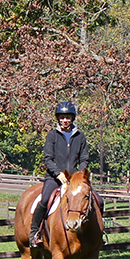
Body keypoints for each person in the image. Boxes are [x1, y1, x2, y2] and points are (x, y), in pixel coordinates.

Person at [29, 101, 90, 247]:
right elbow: (48, 158)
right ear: (58, 118)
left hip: (75, 180)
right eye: (62, 117)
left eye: (68, 117)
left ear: (72, 118)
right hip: (54, 178)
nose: (65, 120)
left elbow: (84, 158)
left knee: (97, 200)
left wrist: (80, 175)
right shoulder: (52, 135)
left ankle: (99, 233)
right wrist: (57, 174)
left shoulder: (80, 136)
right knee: (44, 201)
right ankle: (34, 233)